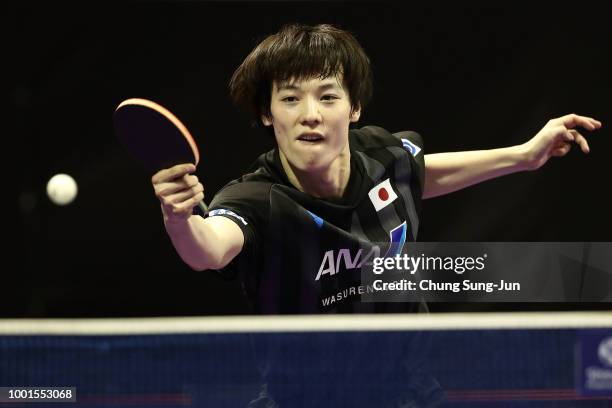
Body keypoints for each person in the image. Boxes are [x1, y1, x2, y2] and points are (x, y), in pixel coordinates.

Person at [151, 23, 601, 314]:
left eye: (328, 97)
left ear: (354, 108)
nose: (310, 114)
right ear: (267, 114)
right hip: (306, 394)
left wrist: (524, 155)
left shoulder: (385, 155)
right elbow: (207, 249)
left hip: (410, 390)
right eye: (290, 99)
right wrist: (179, 218)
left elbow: (421, 172)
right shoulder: (255, 199)